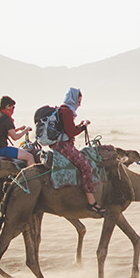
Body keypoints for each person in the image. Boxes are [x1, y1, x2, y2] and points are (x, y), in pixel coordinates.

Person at [50, 87, 106, 215]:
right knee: (86, 166)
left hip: (60, 144)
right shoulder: (67, 112)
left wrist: (80, 125)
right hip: (63, 145)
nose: (79, 104)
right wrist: (83, 126)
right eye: (79, 101)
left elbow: (68, 129)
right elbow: (71, 132)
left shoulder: (63, 110)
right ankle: (92, 202)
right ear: (74, 99)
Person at [0, 96, 35, 167]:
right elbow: (15, 137)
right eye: (13, 107)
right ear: (7, 106)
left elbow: (4, 133)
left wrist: (19, 129)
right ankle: (31, 176)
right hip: (1, 149)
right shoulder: (6, 119)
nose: (13, 110)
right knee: (29, 156)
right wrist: (26, 130)